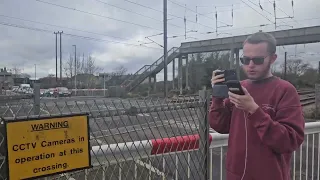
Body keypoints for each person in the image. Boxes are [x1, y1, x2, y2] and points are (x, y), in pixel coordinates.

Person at [209, 32, 305, 180]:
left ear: (273, 59)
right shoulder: (239, 87)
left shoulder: (285, 90)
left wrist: (253, 110)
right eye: (246, 60)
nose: (250, 65)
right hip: (235, 175)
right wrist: (217, 96)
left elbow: (289, 141)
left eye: (258, 60)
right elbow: (220, 125)